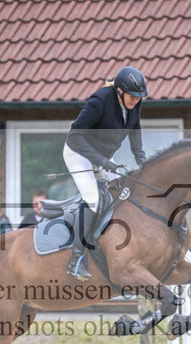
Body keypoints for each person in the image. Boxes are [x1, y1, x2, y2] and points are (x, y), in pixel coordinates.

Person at [63, 66, 148, 280]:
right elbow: (74, 137)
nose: (136, 100)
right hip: (78, 153)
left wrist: (141, 158)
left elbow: (135, 128)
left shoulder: (134, 102)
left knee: (122, 192)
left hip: (102, 156)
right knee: (93, 200)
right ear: (119, 91)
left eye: (139, 96)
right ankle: (76, 259)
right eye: (132, 95)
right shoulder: (100, 101)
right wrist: (100, 161)